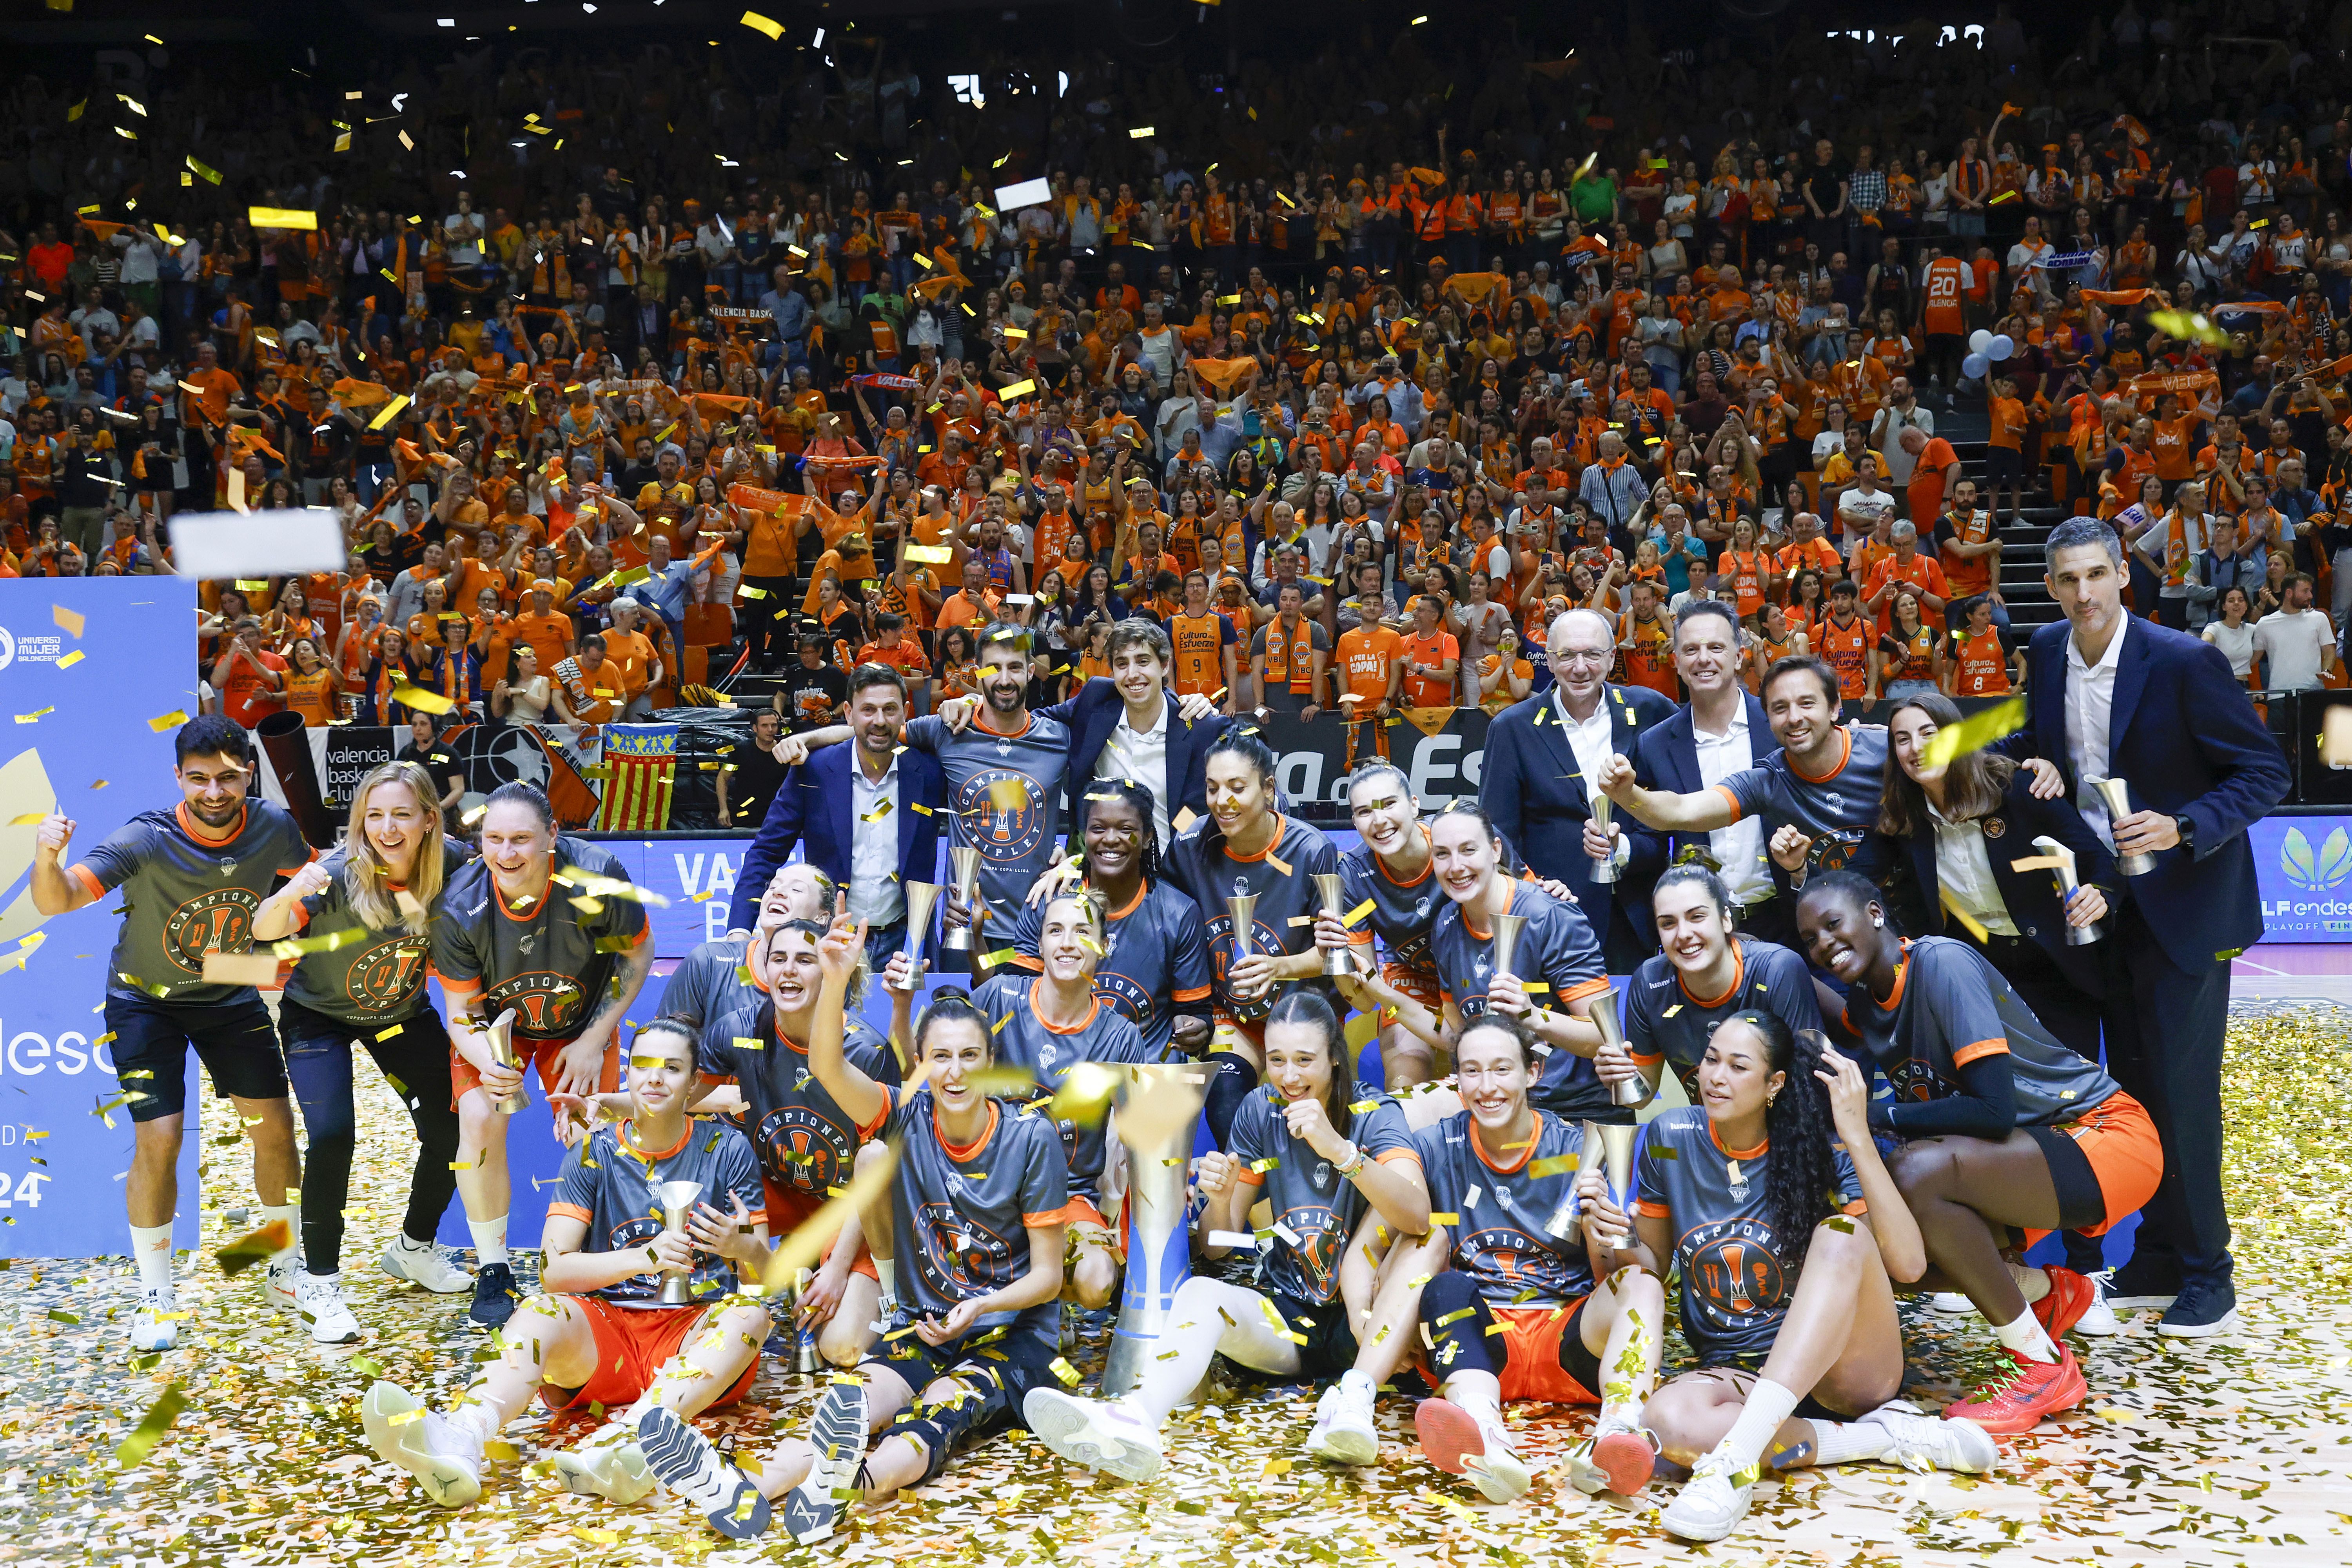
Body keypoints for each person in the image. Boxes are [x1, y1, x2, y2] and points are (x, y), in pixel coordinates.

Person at [634, 951, 1071, 1545]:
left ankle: (846, 1489)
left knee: (936, 1412)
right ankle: (742, 1490)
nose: (956, 1072)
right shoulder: (905, 1115)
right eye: (940, 1057)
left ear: (991, 1063)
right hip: (925, 1325)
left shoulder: (1030, 1137)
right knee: (850, 1405)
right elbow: (828, 1066)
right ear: (921, 1063)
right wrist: (836, 979)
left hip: (1011, 1337)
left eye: (970, 1056)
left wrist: (982, 1308)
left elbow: (1048, 1279)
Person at [2013, 518, 2290, 1335]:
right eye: (2069, 580)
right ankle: (2160, 1258)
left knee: (2185, 1098)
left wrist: (2186, 825)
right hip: (2106, 908)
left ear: (2123, 572)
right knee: (2135, 1095)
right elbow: (2045, 743)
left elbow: (2264, 771)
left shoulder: (2184, 659)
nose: (2085, 594)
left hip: (2187, 908)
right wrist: (2038, 760)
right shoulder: (2047, 650)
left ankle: (2212, 1272)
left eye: (2098, 574)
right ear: (2053, 586)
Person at [1595, 1011, 1997, 1543]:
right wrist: (1610, 1235)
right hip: (1739, 1371)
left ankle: (1734, 1464)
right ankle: (1882, 1440)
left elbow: (1908, 1265)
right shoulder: (1671, 1138)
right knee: (1667, 1424)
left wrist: (1855, 1136)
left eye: (1739, 1066)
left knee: (1841, 1234)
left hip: (1844, 1375)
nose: (1715, 1076)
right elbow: (1654, 1267)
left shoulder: (1821, 1150)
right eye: (1712, 1059)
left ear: (1774, 1085)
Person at [359, 1018, 773, 1518]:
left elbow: (765, 1277)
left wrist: (744, 1248)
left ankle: (637, 1438)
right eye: (644, 1065)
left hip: (695, 1341)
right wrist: (644, 1257)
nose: (656, 1078)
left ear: (694, 1081)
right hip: (608, 1337)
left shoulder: (726, 1150)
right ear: (628, 1072)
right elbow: (555, 1271)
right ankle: (464, 1435)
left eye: (673, 1067)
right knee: (540, 1310)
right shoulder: (593, 1150)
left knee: (752, 1313)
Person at [1794, 873, 2163, 1432]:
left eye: (1832, 924)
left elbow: (1995, 1111)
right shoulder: (1869, 1005)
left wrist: (1875, 1116)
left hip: (2103, 1134)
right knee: (1886, 1249)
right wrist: (1766, 964)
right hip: (2026, 1160)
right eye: (1810, 939)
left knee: (1915, 1170)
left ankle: (2041, 1367)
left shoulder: (1941, 963)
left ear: (1874, 913)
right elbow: (1825, 1005)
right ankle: (2053, 1294)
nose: (1823, 943)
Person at [1022, 991, 1431, 1478]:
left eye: (1305, 1060)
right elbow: (1218, 1245)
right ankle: (1137, 1417)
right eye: (1277, 1060)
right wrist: (1219, 1198)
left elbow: (1419, 1216)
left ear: (1336, 1060)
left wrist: (1340, 1150)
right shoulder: (1262, 1108)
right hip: (1290, 1321)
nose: (1290, 1076)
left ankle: (1354, 1401)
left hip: (1362, 1323)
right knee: (1199, 1289)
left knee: (1429, 1243)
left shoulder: (1375, 1112)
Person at [28, 715, 314, 1352]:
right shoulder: (147, 836)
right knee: (158, 1140)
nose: (214, 791)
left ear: (248, 774)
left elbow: (311, 879)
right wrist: (48, 856)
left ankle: (283, 1263)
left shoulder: (273, 826)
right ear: (178, 778)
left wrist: (295, 938)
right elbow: (57, 901)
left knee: (276, 1129)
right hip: (143, 1001)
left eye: (227, 777)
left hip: (226, 987)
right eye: (199, 779)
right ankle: (156, 1296)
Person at [1355, 1014, 1666, 1504]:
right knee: (1442, 1283)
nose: (1487, 1086)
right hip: (1478, 1341)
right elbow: (1377, 1242)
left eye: (1502, 1069)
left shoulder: (1575, 1149)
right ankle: (1484, 1434)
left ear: (1533, 1073)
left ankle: (1616, 1433)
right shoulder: (1436, 1146)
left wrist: (1601, 1233)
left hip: (1566, 1337)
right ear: (1456, 1078)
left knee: (1643, 1282)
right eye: (1472, 1071)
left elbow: (1611, 1275)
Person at [250, 762, 475, 1341]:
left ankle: (413, 1248)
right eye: (374, 815)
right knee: (332, 1136)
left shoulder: (454, 864)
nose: (387, 828)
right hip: (317, 1017)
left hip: (399, 1017)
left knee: (453, 1125)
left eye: (402, 814)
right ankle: (320, 1282)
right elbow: (265, 930)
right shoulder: (334, 872)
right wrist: (295, 888)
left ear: (429, 819)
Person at [429, 783, 655, 1328]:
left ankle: (599, 1263)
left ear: (553, 836)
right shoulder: (459, 904)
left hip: (580, 1021)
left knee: (590, 1129)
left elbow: (639, 953)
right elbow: (460, 1008)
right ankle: (493, 1270)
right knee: (480, 1118)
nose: (507, 854)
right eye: (494, 839)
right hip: (497, 1025)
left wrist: (595, 1038)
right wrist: (490, 1063)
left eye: (522, 839)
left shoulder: (597, 877)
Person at [782, 625, 1071, 963]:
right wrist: (807, 740)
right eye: (994, 668)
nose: (1004, 679)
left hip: (1037, 929)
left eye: (1015, 668)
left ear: (1031, 672)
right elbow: (875, 730)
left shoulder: (1060, 737)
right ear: (978, 673)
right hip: (961, 928)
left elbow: (1096, 811)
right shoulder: (947, 730)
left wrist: (1072, 860)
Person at [685, 917, 898, 1367]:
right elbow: (679, 1096)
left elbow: (879, 1174)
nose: (789, 971)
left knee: (840, 1347)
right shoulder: (739, 1030)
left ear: (830, 969)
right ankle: (742, 1306)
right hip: (780, 1191)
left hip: (850, 1209)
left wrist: (839, 1269)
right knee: (702, 1202)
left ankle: (858, 1285)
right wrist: (608, 1105)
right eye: (778, 959)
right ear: (763, 968)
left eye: (806, 960)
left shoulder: (866, 1052)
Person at [1341, 801, 1619, 1122]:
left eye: (1468, 850)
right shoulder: (1446, 924)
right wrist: (1377, 989)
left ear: (1496, 850)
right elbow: (1452, 1034)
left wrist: (1530, 1015)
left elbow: (1602, 1037)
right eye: (1443, 854)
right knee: (1386, 1115)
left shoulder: (1552, 916)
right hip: (1485, 1098)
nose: (1456, 866)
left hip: (1566, 1108)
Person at [969, 891, 1156, 1310]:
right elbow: (942, 1060)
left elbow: (1138, 1142)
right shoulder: (999, 996)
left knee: (1096, 1280)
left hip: (1069, 1198)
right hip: (987, 1190)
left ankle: (1051, 1302)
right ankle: (1035, 1308)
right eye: (1056, 930)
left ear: (1104, 947)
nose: (1068, 943)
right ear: (1040, 945)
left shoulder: (1120, 1035)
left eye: (1082, 932)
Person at [1162, 730, 1343, 1145]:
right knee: (1226, 1105)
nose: (1222, 800)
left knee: (1307, 1129)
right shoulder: (1190, 845)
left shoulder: (1313, 849)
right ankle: (1251, 1208)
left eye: (1237, 787)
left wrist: (1279, 967)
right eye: (1212, 788)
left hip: (1301, 1011)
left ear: (1268, 788)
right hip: (1233, 1017)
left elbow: (1332, 953)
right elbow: (1156, 913)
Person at [1483, 608, 1677, 970]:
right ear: (1550, 661)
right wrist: (1531, 895)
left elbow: (1677, 808)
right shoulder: (1513, 728)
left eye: (1592, 654)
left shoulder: (1652, 710)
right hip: (1550, 919)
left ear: (1612, 657)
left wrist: (1628, 848)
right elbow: (1499, 837)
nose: (1580, 667)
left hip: (1639, 917)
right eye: (1567, 655)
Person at [729, 665, 946, 967]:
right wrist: (739, 928)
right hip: (829, 939)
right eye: (868, 710)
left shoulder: (931, 772)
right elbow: (766, 852)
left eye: (890, 709)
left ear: (906, 712)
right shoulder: (814, 770)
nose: (880, 721)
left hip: (906, 943)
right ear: (848, 712)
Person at [1628, 601, 1799, 948]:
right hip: (1701, 933)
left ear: (1739, 657)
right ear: (1676, 661)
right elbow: (1652, 839)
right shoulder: (1654, 744)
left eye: (1716, 647)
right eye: (1691, 650)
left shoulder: (1782, 727)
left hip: (1789, 921)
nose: (1703, 659)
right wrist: (1618, 846)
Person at [1002, 778, 1213, 1057]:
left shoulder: (1179, 913)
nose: (1111, 839)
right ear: (1084, 835)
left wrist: (1194, 1028)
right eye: (1098, 829)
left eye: (1126, 830)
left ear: (1149, 835)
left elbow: (1195, 1012)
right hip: (1057, 1069)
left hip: (1143, 1075)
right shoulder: (1048, 901)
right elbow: (1014, 997)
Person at [1620, 865, 1822, 1103]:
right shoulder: (1648, 982)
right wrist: (1619, 1077)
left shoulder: (1777, 968)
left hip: (1789, 1127)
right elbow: (1640, 1099)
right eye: (1668, 923)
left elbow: (1812, 1090)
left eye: (1697, 917)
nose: (1683, 934)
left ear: (1726, 920)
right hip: (1713, 1130)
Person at [1319, 762, 1451, 1088]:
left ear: (1415, 804)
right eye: (1364, 812)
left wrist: (1553, 893)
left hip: (1477, 977)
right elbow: (1364, 1001)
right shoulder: (1353, 875)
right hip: (1412, 977)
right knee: (1405, 1085)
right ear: (1354, 822)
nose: (1379, 821)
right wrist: (1335, 958)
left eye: (1389, 804)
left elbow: (1526, 901)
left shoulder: (1455, 836)